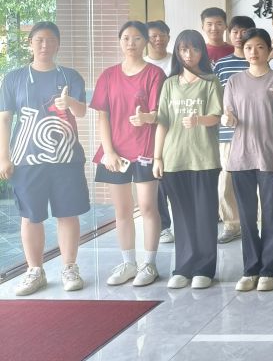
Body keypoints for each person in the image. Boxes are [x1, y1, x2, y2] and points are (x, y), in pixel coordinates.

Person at [2, 22, 89, 296]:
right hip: (26, 160)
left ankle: (69, 267)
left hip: (66, 159)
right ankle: (35, 271)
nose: (44, 45)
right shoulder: (14, 78)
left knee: (68, 213)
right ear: (30, 43)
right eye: (39, 39)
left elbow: (82, 111)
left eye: (50, 40)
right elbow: (4, 119)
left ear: (58, 44)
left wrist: (69, 103)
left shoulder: (70, 76)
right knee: (31, 216)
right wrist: (4, 157)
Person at [93, 21, 166, 287]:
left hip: (145, 149)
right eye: (126, 38)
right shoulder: (108, 75)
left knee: (147, 207)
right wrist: (109, 151)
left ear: (145, 42)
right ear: (120, 41)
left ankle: (149, 264)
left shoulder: (155, 73)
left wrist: (147, 117)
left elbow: (161, 114)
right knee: (122, 210)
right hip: (116, 153)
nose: (131, 43)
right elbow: (102, 116)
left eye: (136, 38)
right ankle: (128, 263)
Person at [222, 28, 273, 292]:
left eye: (260, 47)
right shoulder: (234, 81)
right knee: (247, 216)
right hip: (240, 157)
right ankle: (250, 269)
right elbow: (229, 115)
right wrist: (228, 119)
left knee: (271, 214)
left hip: (270, 157)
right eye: (249, 47)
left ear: (268, 49)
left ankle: (269, 270)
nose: (254, 52)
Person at [153, 30, 223, 289]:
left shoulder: (210, 81)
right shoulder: (170, 84)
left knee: (205, 215)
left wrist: (198, 120)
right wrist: (157, 157)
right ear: (178, 52)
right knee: (181, 217)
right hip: (174, 158)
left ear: (202, 52)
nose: (189, 54)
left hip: (204, 158)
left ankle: (204, 268)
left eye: (194, 49)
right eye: (183, 49)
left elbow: (216, 116)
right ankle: (183, 267)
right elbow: (162, 122)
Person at [213, 15, 254, 244]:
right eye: (235, 31)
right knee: (226, 182)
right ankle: (232, 224)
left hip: (257, 133)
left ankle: (257, 224)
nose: (239, 36)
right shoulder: (221, 65)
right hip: (228, 134)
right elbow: (217, 99)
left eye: (244, 31)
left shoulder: (259, 60)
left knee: (257, 181)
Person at [146, 20, 175, 243]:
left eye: (162, 35)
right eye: (153, 35)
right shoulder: (143, 64)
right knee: (156, 178)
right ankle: (164, 225)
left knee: (173, 177)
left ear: (168, 36)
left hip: (176, 127)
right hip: (150, 130)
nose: (158, 39)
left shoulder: (177, 61)